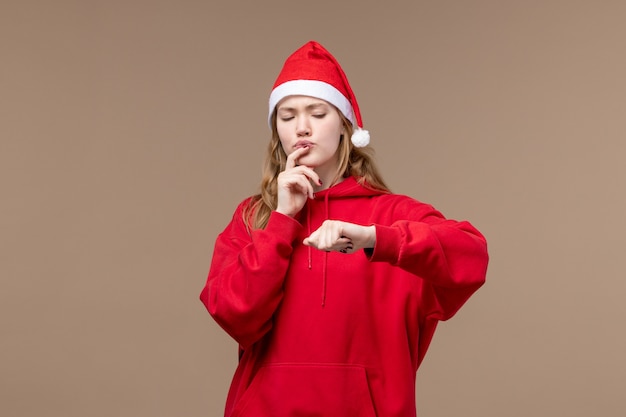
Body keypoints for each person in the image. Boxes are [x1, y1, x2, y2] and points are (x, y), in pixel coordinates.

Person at [200, 40, 489, 417]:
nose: (302, 128)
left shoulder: (392, 213)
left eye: (317, 113)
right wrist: (283, 219)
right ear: (277, 131)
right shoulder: (253, 217)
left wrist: (374, 238)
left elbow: (471, 255)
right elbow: (234, 314)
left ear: (345, 125)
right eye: (287, 116)